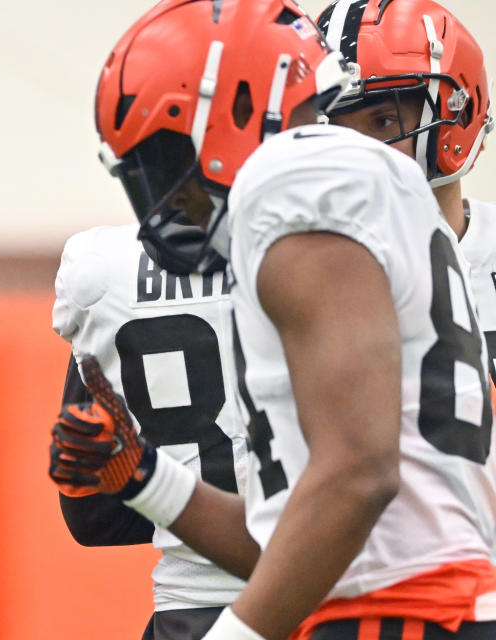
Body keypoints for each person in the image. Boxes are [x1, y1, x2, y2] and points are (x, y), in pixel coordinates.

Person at [49, 1, 496, 639]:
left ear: (228, 111)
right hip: (403, 607)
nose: (170, 201)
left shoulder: (298, 182)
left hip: (402, 616)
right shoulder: (354, 187)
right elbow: (295, 546)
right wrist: (146, 479)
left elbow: (358, 479)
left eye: (166, 161)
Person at [52, 216, 248, 639]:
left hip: (189, 615)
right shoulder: (326, 247)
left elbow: (91, 515)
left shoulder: (99, 268)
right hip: (342, 599)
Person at [316, 0, 496, 379]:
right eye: (333, 130)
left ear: (459, 115)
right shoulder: (298, 268)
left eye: (382, 121)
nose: (355, 152)